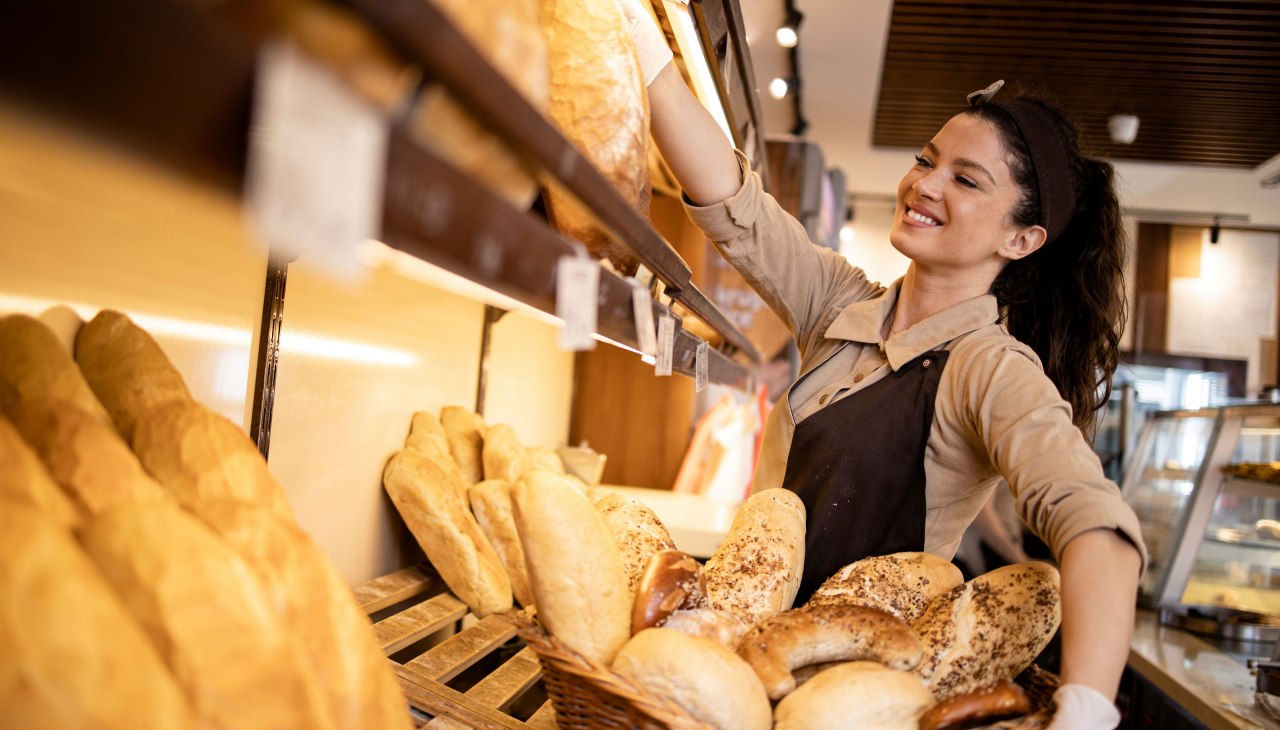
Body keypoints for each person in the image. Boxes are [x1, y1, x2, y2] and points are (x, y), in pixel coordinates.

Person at [617, 3, 1146, 728]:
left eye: (966, 180)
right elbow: (737, 208)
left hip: (851, 700)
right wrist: (643, 47)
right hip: (743, 662)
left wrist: (1086, 708)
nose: (925, 184)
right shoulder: (841, 306)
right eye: (926, 160)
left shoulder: (991, 370)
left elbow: (1097, 527)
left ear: (1022, 240)